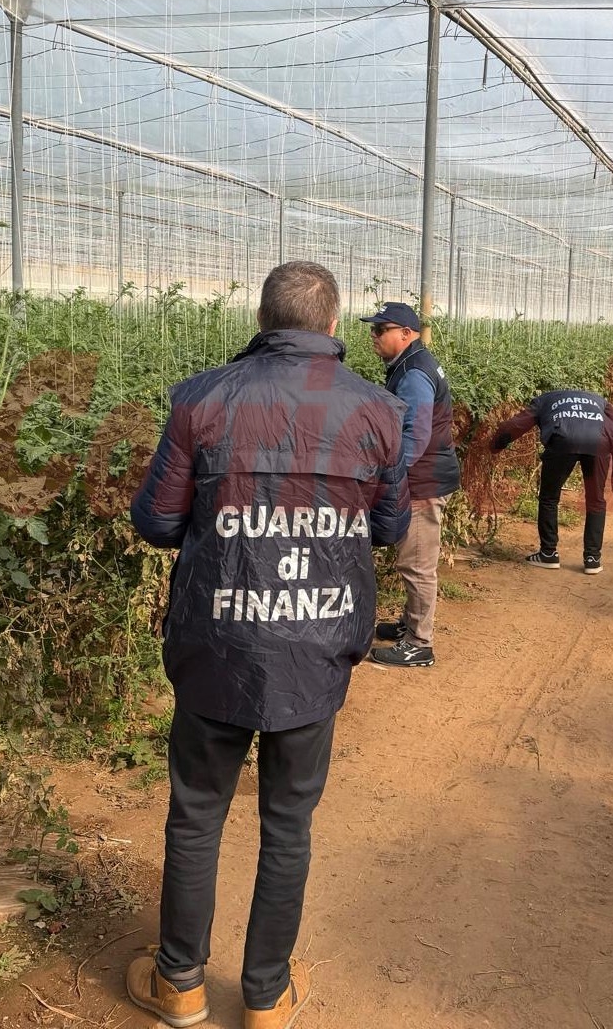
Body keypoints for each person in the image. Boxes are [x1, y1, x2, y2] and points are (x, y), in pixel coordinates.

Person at [126, 261, 410, 1029]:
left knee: (196, 813)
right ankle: (264, 995)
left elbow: (155, 522)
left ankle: (179, 982)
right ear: (331, 323)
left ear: (260, 318)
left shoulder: (201, 398)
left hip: (216, 638)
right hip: (315, 646)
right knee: (288, 822)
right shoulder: (379, 411)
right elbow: (388, 528)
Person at [359, 301, 461, 669]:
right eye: (373, 328)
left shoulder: (414, 372)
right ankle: (409, 624)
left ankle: (420, 643)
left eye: (380, 329)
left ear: (406, 333)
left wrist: (387, 478)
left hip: (422, 482)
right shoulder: (413, 363)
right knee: (414, 558)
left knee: (416, 563)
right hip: (426, 476)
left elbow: (414, 437)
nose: (373, 335)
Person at [489, 388, 613, 575]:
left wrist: (494, 445)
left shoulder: (544, 400)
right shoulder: (599, 401)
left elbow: (517, 424)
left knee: (549, 497)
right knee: (596, 500)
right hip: (599, 442)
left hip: (563, 440)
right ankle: (593, 559)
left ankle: (548, 553)